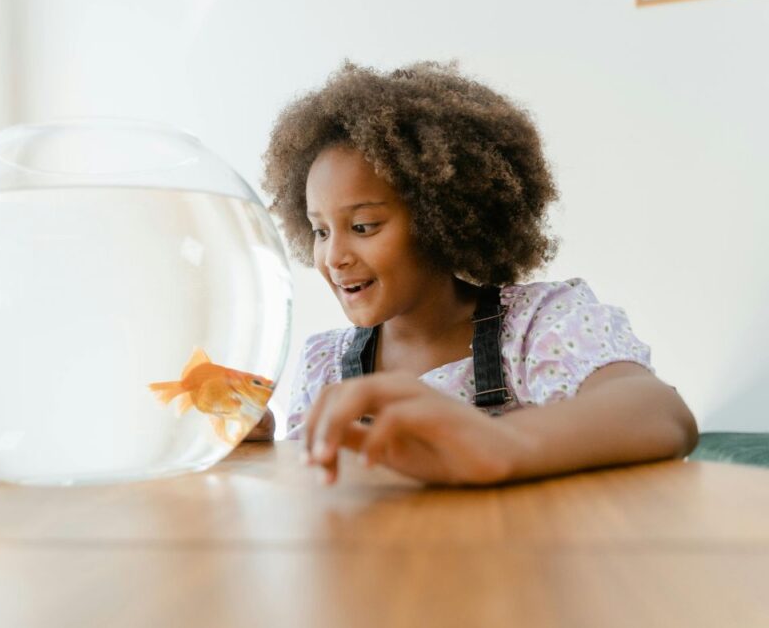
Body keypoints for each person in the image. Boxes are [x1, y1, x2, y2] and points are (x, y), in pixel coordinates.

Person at [255, 60, 697, 485]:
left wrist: (501, 442)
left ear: (439, 218)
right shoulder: (323, 365)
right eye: (320, 231)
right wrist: (263, 447)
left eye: (363, 227)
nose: (334, 256)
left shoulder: (536, 327)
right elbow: (313, 492)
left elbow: (661, 414)